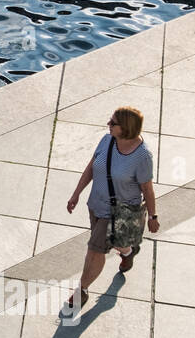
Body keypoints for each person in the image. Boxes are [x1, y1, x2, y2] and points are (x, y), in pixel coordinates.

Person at [63, 106, 159, 321]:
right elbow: (92, 167)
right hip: (96, 204)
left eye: (113, 122)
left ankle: (82, 290)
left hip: (119, 211)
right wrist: (76, 194)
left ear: (125, 128)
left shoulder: (142, 156)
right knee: (112, 243)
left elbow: (148, 189)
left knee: (95, 249)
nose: (108, 124)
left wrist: (153, 216)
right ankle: (127, 252)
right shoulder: (107, 141)